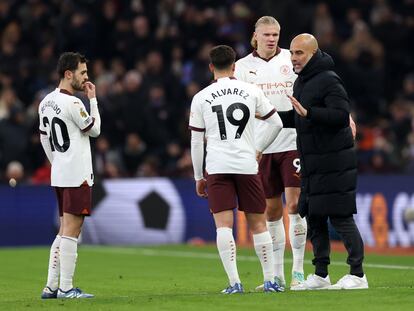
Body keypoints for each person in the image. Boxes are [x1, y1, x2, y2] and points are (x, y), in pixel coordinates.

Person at [189, 45, 284, 294]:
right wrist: (259, 147)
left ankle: (234, 283)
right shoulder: (250, 90)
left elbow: (196, 141)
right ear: (234, 67)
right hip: (246, 164)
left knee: (223, 226)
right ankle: (271, 281)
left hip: (217, 166)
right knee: (259, 224)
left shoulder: (200, 97)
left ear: (211, 67)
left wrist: (199, 176)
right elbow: (276, 122)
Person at [282, 33, 368, 290]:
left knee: (341, 217)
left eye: (299, 53)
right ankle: (320, 274)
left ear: (312, 54)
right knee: (314, 216)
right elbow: (300, 118)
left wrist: (310, 113)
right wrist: (269, 115)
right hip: (313, 162)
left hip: (334, 161)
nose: (294, 58)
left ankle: (358, 274)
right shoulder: (303, 82)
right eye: (292, 53)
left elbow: (341, 115)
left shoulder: (329, 80)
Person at [234, 16, 307, 290]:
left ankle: (298, 271)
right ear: (255, 35)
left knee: (295, 205)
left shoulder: (293, 60)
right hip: (261, 147)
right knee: (272, 210)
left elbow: (314, 89)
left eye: (275, 34)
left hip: (292, 141)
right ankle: (276, 275)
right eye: (266, 34)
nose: (272, 38)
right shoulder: (242, 68)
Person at [39, 52, 101, 299]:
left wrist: (57, 162)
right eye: (83, 72)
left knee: (64, 228)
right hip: (77, 174)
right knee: (72, 231)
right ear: (68, 74)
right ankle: (66, 287)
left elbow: (44, 137)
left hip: (61, 172)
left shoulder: (45, 102)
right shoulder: (74, 103)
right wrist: (93, 101)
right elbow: (94, 130)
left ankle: (51, 286)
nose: (86, 77)